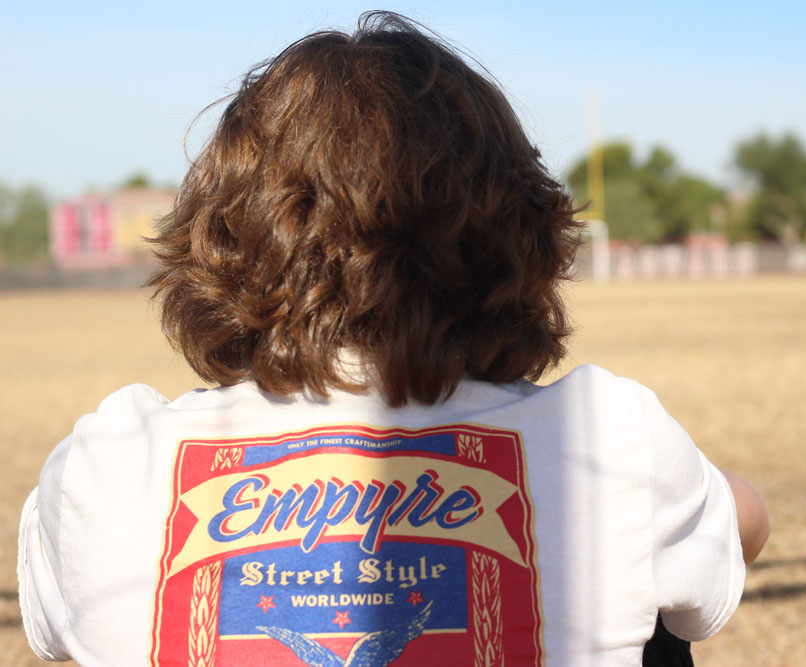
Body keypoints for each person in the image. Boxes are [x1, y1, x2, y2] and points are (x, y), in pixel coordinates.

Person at [18, 12, 768, 666]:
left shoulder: (108, 459)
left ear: (220, 235)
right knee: (657, 614)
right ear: (517, 232)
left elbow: (55, 625)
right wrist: (697, 493)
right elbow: (741, 531)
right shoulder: (610, 436)